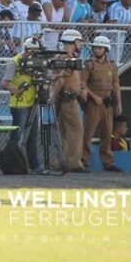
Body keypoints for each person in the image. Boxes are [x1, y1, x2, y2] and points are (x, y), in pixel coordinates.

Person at [0, 36, 42, 173]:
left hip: (32, 102)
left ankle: (34, 165)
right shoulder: (14, 62)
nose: (35, 55)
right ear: (28, 50)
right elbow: (4, 83)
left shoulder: (37, 62)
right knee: (17, 136)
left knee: (32, 136)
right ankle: (13, 165)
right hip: (19, 104)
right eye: (34, 52)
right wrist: (15, 89)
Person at [81, 35, 123, 172]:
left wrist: (119, 103)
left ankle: (108, 163)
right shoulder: (89, 64)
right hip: (94, 104)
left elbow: (116, 84)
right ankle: (84, 161)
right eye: (95, 48)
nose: (97, 50)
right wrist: (93, 97)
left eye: (100, 48)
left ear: (106, 49)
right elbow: (83, 85)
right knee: (88, 134)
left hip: (107, 104)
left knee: (107, 134)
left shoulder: (112, 65)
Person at [53, 29, 88, 173]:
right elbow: (61, 80)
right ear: (73, 42)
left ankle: (61, 162)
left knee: (64, 133)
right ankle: (74, 162)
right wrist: (54, 98)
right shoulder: (68, 60)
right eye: (78, 42)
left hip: (67, 98)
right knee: (76, 130)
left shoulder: (65, 57)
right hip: (68, 100)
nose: (80, 44)